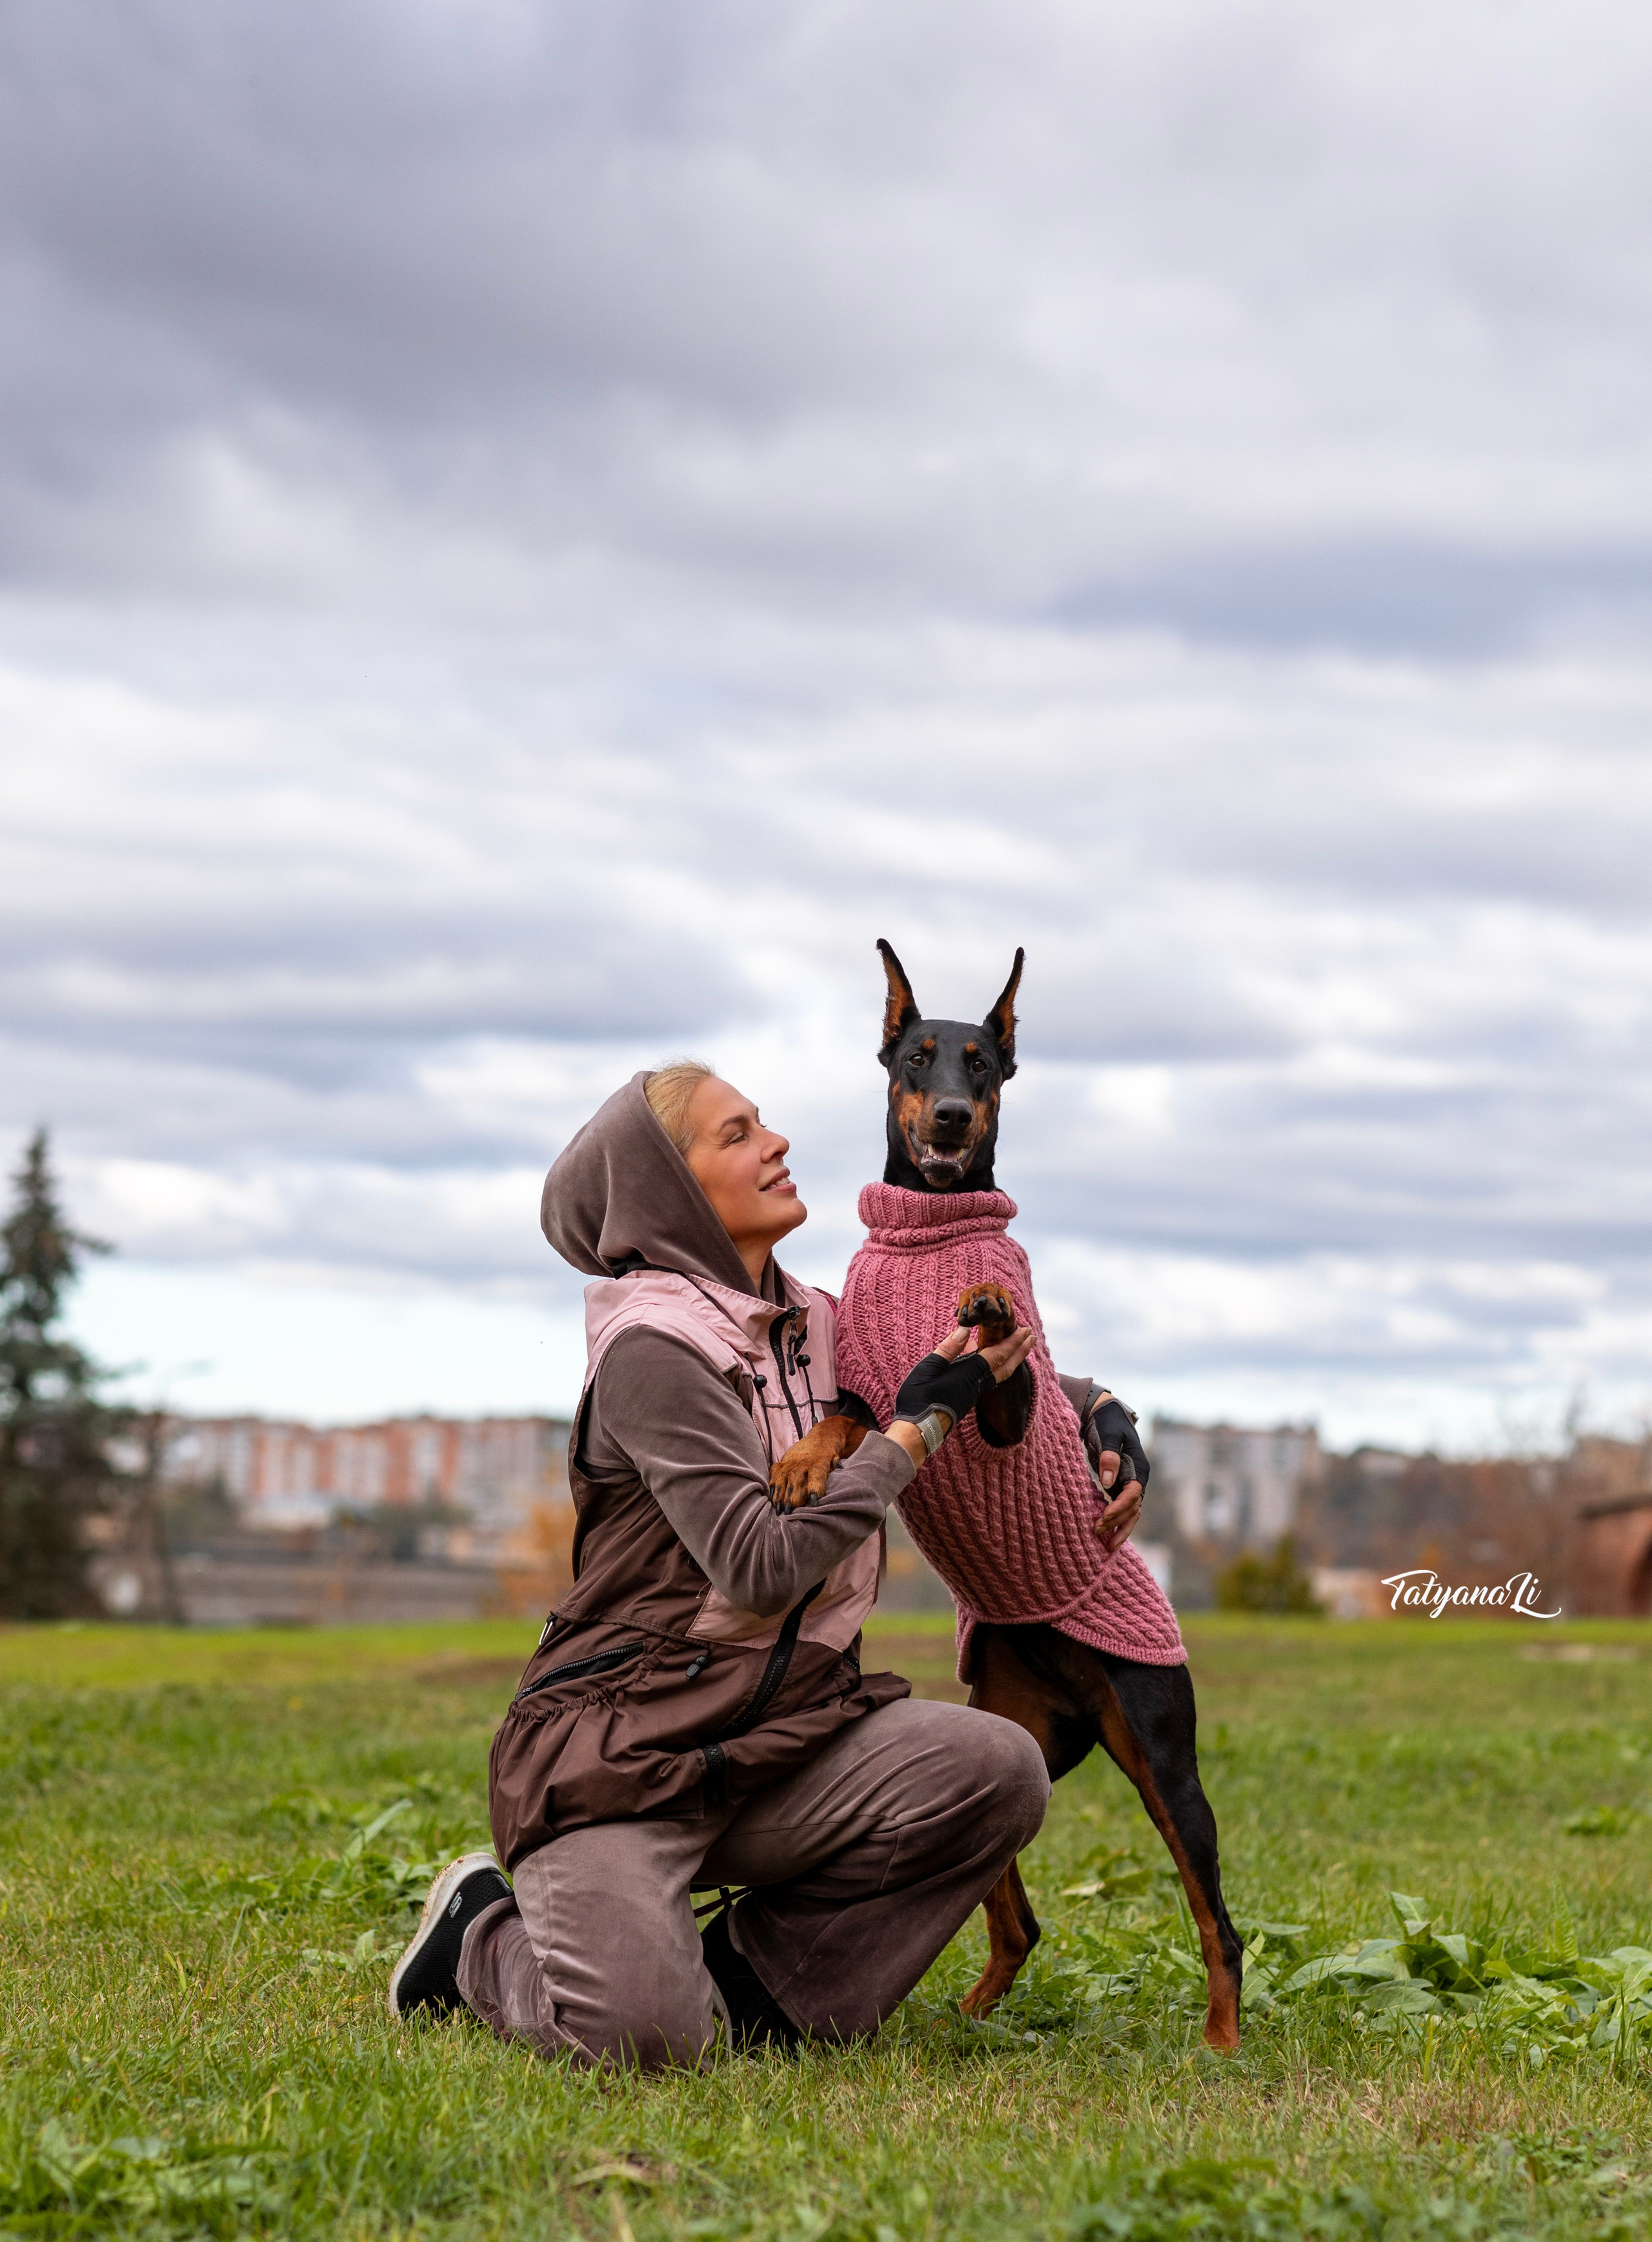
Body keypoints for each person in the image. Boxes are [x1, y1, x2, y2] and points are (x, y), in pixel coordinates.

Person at [387, 1064, 1083, 2068]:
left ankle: (763, 1996)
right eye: (737, 1133)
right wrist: (913, 1431)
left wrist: (1104, 1418)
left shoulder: (819, 1322)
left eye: (763, 1123)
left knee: (996, 1770)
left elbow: (987, 1360)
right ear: (668, 1189)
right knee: (643, 2040)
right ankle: (480, 1935)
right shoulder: (653, 1350)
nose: (777, 1142)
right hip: (625, 1757)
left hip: (781, 1741)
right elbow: (758, 1565)